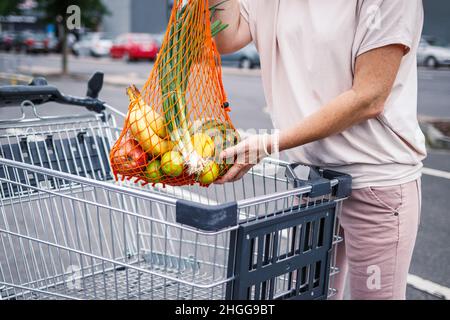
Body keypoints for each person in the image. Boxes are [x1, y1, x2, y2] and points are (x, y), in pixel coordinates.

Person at [213, 0, 425, 300]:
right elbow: (225, 37)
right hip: (312, 181)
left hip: (375, 181)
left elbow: (369, 96)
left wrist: (271, 143)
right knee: (308, 296)